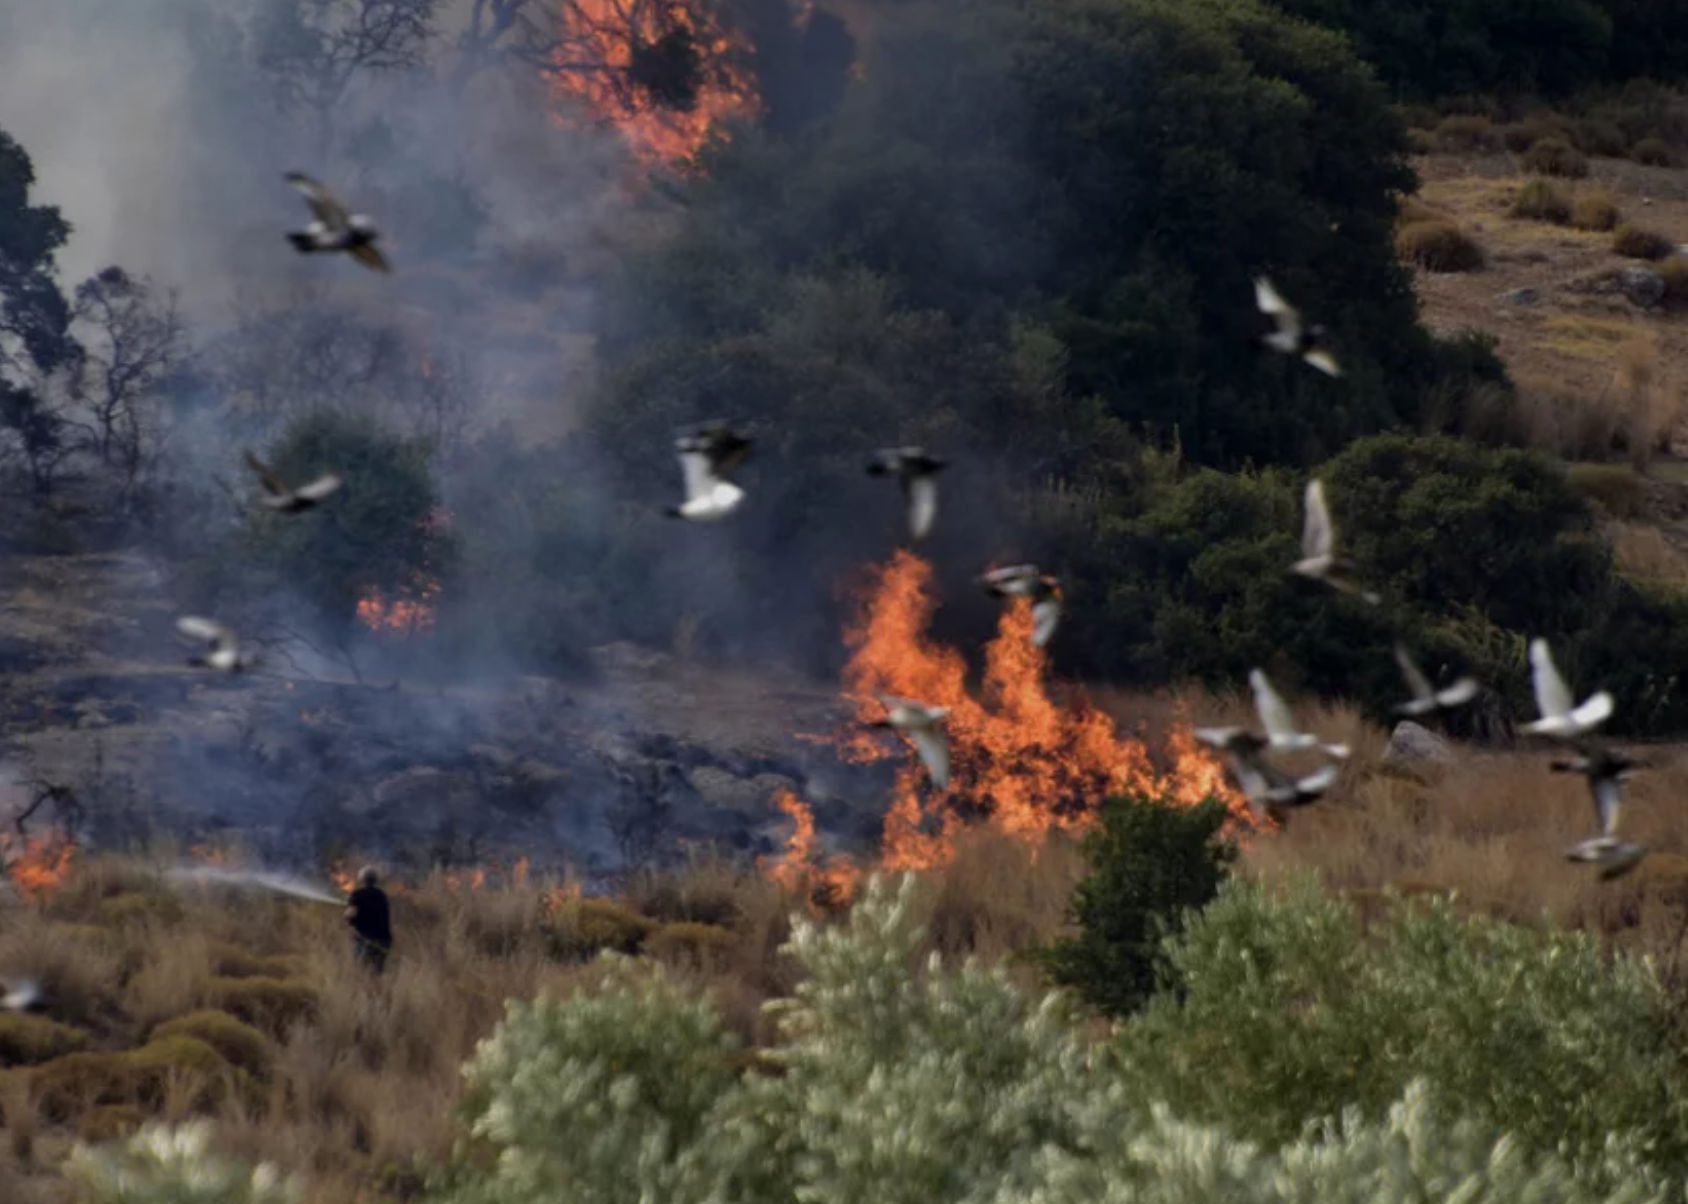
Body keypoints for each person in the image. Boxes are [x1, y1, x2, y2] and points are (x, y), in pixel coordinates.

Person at [345, 865, 393, 974]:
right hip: (384, 940)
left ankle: (363, 990)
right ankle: (377, 990)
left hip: (366, 939)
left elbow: (350, 915)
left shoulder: (357, 895)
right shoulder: (382, 895)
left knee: (361, 970)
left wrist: (349, 908)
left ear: (361, 879)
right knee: (377, 972)